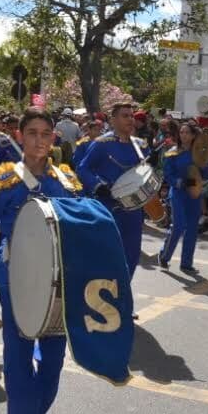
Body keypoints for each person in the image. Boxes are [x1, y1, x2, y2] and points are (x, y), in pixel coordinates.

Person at [0, 108, 83, 414]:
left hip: (57, 283)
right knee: (18, 362)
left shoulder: (66, 180)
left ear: (54, 137)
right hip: (15, 279)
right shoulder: (4, 181)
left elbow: (80, 230)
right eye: (32, 132)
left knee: (52, 362)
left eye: (46, 133)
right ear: (20, 136)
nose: (40, 139)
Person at [77, 102, 151, 281]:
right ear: (113, 120)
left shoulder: (140, 145)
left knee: (132, 255)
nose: (130, 119)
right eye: (125, 116)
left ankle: (124, 293)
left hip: (133, 210)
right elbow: (83, 168)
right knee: (107, 255)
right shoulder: (102, 144)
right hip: (108, 208)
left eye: (131, 116)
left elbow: (146, 172)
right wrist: (97, 186)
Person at [157, 122, 208, 273]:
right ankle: (164, 256)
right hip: (178, 193)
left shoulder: (199, 153)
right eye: (181, 132)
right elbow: (168, 174)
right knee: (178, 226)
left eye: (187, 132)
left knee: (192, 229)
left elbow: (206, 174)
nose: (183, 135)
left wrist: (206, 165)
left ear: (193, 135)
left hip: (194, 194)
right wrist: (180, 182)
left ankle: (186, 263)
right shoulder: (172, 152)